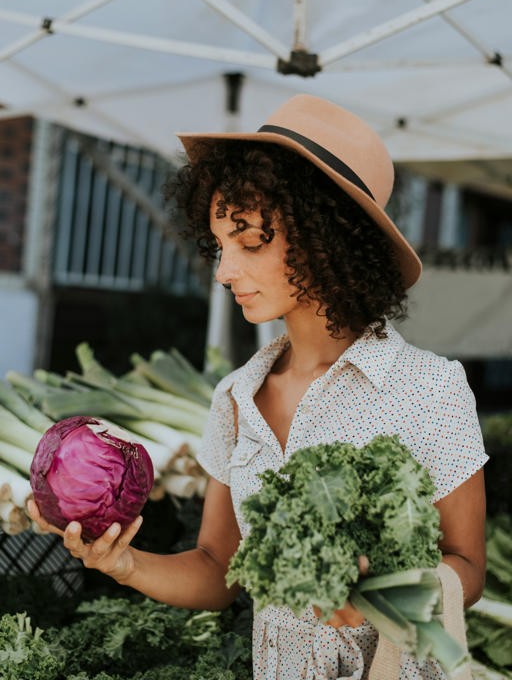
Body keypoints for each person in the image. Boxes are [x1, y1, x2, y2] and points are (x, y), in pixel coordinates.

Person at [29, 94, 487, 680]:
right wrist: (124, 564)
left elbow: (467, 567)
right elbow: (218, 568)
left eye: (250, 244)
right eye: (220, 245)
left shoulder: (429, 388)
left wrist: (389, 588)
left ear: (328, 239)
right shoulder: (237, 397)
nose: (223, 271)